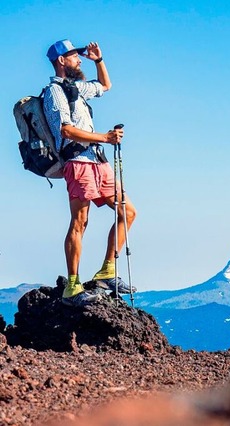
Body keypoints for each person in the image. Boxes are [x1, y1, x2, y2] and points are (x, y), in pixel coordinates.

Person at [42, 39, 137, 307]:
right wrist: (106, 138)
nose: (79, 60)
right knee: (80, 222)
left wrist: (98, 60)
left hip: (97, 160)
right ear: (61, 61)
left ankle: (107, 272)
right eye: (74, 56)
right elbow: (66, 130)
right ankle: (72, 287)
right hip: (79, 162)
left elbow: (105, 86)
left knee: (127, 212)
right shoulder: (55, 91)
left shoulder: (76, 88)